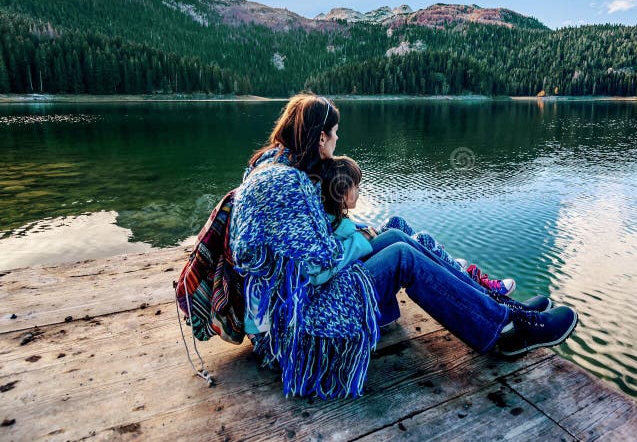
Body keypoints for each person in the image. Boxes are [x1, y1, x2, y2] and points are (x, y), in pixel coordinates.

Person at [229, 92, 578, 399]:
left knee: (395, 235)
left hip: (295, 302)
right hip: (295, 323)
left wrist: (358, 237)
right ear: (320, 137)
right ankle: (502, 330)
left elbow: (311, 249)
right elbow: (317, 270)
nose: (338, 140)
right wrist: (361, 244)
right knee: (401, 256)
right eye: (335, 134)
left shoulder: (275, 167)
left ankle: (497, 306)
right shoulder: (285, 185)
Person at [318, 154, 516, 295]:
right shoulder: (334, 225)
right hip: (357, 267)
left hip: (360, 254)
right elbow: (344, 250)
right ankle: (478, 288)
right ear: (341, 193)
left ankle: (451, 264)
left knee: (396, 222)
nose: (360, 191)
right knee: (422, 240)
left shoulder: (334, 217)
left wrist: (365, 233)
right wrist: (364, 236)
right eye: (356, 187)